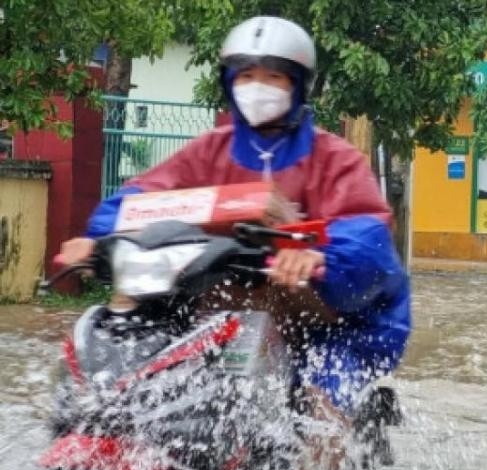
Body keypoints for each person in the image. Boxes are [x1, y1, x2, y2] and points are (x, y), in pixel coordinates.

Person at [55, 16, 411, 415]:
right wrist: (99, 238)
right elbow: (142, 198)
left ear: (297, 85)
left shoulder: (337, 159)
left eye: (274, 77)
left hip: (340, 322)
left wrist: (322, 258)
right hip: (227, 301)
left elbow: (368, 233)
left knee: (319, 411)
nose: (258, 87)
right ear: (229, 82)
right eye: (246, 76)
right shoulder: (207, 151)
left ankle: (323, 467)